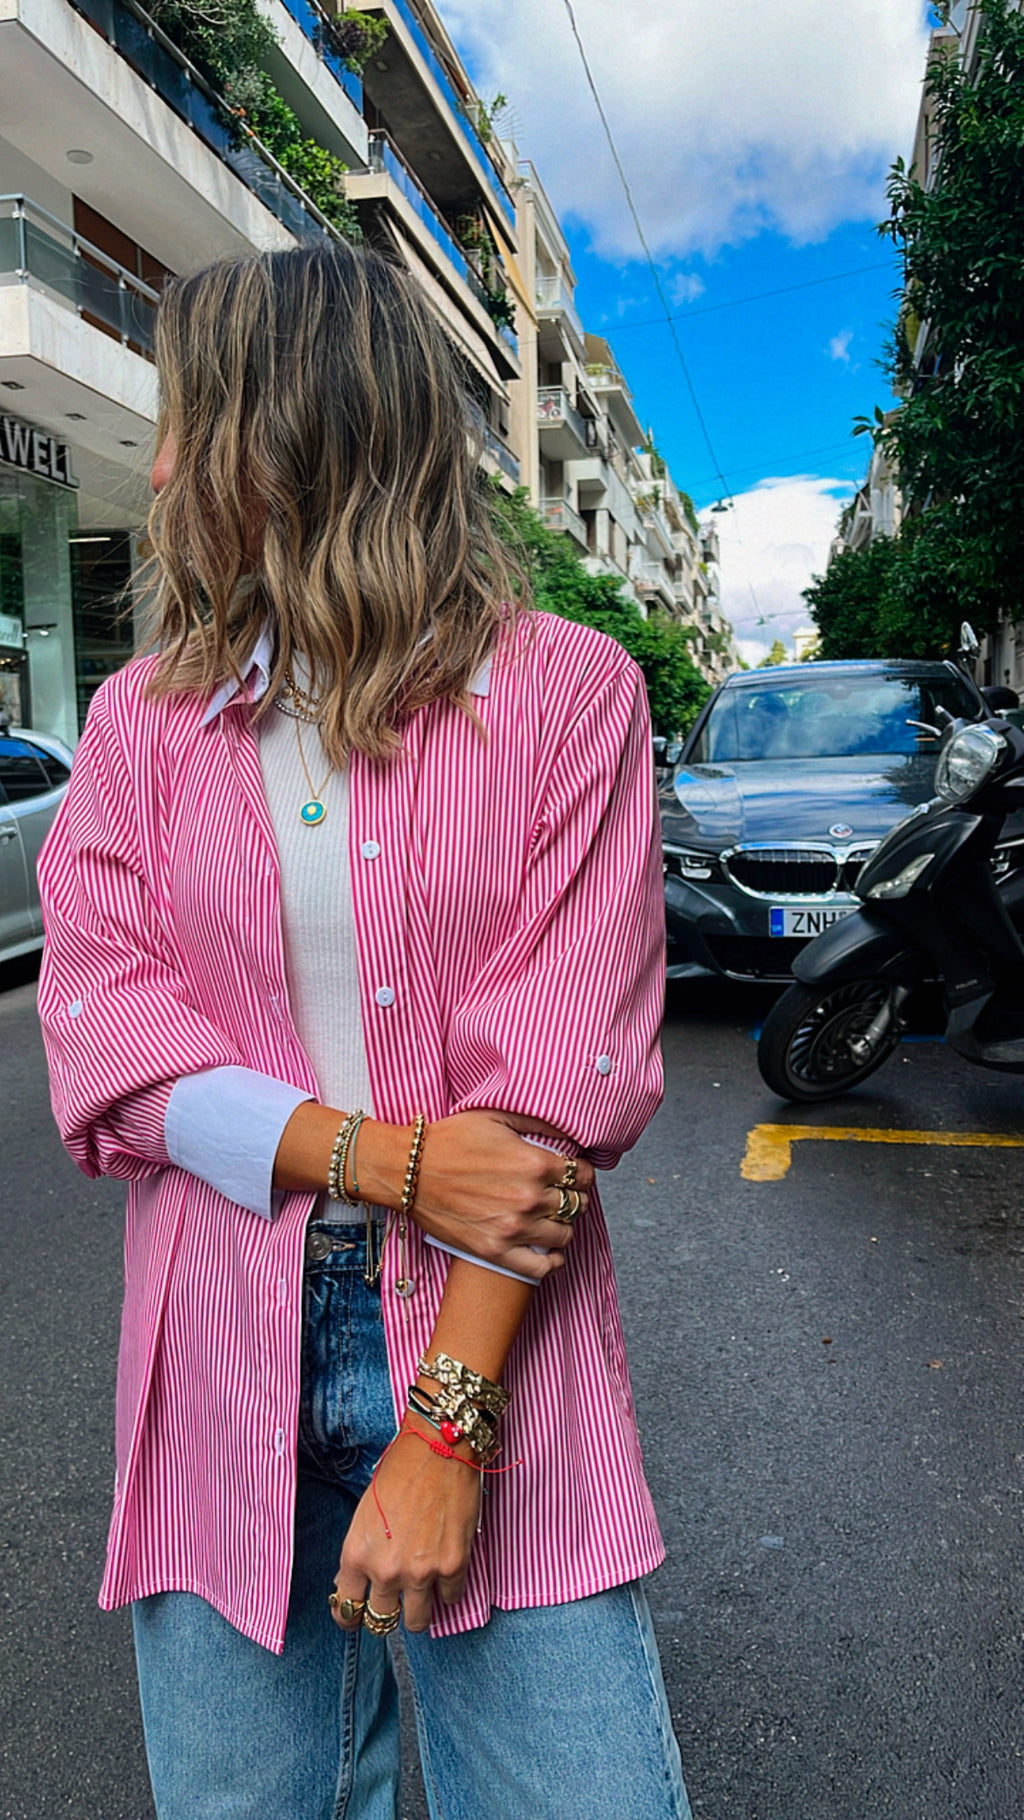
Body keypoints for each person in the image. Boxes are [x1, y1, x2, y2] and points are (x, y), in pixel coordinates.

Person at [36, 243, 691, 1820]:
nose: (168, 459)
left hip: (498, 1337)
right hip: (214, 1335)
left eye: (194, 420)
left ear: (299, 430)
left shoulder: (568, 696)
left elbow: (551, 1101)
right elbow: (106, 1042)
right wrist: (385, 1158)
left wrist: (447, 1432)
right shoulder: (137, 725)